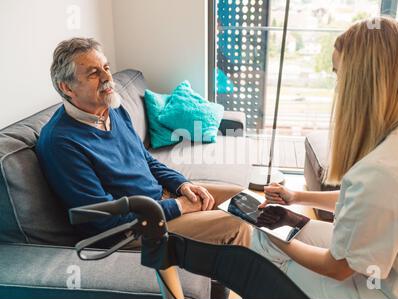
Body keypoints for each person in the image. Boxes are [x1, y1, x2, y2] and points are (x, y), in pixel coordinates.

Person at [251, 17, 398, 299]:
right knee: (287, 232)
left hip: (381, 290)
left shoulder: (384, 170)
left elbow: (338, 268)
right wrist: (296, 197)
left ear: (361, 82)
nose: (336, 87)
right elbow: (369, 201)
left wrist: (277, 236)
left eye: (337, 74)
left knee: (260, 246)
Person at [37, 37, 251, 248]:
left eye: (106, 67)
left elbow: (146, 160)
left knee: (244, 201)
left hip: (162, 202)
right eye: (94, 73)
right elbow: (103, 221)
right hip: (135, 229)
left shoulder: (113, 108)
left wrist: (182, 184)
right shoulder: (61, 142)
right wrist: (178, 206)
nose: (107, 77)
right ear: (66, 87)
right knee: (235, 225)